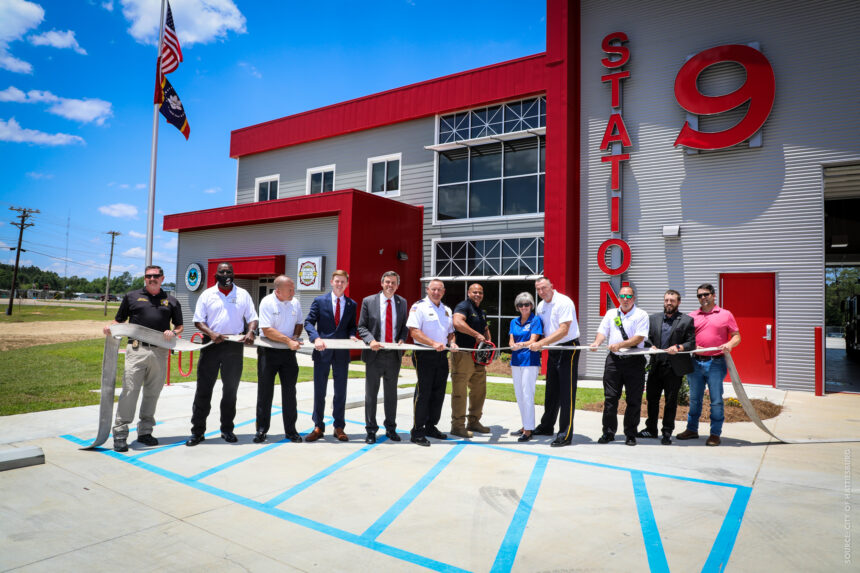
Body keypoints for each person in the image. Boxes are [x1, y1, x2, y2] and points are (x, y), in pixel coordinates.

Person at [103, 265, 183, 452]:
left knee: (152, 393)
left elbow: (179, 326)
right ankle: (121, 433)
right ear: (144, 278)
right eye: (148, 276)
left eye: (156, 276)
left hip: (160, 352)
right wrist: (110, 328)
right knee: (130, 391)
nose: (152, 279)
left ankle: (145, 432)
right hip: (136, 351)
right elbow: (118, 320)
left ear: (162, 278)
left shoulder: (171, 301)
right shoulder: (131, 297)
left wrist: (173, 332)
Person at [186, 262, 258, 446]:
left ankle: (227, 430)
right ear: (216, 275)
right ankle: (197, 432)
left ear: (234, 274)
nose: (226, 274)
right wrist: (211, 333)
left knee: (230, 391)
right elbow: (198, 321)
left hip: (233, 347)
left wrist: (250, 331)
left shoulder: (242, 294)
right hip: (211, 344)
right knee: (203, 390)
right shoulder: (207, 294)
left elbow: (252, 318)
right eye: (222, 272)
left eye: (229, 272)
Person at [676, 283, 741, 447]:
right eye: (699, 295)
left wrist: (730, 344)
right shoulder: (692, 316)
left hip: (716, 363)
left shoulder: (725, 314)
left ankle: (715, 434)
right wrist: (692, 346)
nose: (703, 298)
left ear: (713, 295)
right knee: (695, 399)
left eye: (706, 294)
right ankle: (692, 429)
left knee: (716, 400)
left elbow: (736, 336)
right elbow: (684, 338)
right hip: (695, 362)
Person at [589, 284, 649, 446]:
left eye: (629, 296)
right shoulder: (611, 314)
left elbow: (639, 338)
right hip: (614, 361)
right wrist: (596, 342)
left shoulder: (641, 315)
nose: (625, 299)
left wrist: (621, 345)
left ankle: (630, 433)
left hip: (634, 362)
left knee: (634, 399)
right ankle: (608, 432)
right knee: (610, 399)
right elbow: (603, 331)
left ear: (634, 298)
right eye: (622, 296)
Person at [304, 269, 358, 442]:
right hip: (322, 352)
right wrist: (316, 338)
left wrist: (351, 335)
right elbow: (309, 322)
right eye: (337, 281)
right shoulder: (320, 301)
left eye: (343, 281)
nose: (340, 284)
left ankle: (339, 426)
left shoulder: (351, 304)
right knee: (320, 391)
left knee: (340, 392)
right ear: (331, 282)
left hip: (341, 354)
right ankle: (318, 426)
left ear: (347, 283)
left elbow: (351, 326)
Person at [637, 290, 696, 445]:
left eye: (672, 300)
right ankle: (651, 429)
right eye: (666, 300)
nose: (669, 303)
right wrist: (651, 346)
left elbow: (691, 343)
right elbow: (646, 338)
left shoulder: (686, 320)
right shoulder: (653, 318)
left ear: (678, 302)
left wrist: (679, 346)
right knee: (652, 399)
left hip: (674, 368)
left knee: (670, 401)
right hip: (656, 366)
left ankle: (667, 431)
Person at [528, 276, 581, 447]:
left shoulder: (564, 302)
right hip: (552, 349)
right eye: (538, 289)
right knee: (551, 391)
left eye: (544, 288)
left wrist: (541, 344)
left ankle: (565, 434)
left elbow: (564, 330)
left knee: (567, 393)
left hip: (568, 348)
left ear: (552, 286)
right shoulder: (541, 306)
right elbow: (540, 330)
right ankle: (546, 426)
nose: (541, 292)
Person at [357, 271, 409, 444]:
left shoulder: (402, 302)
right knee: (371, 395)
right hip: (374, 355)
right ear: (381, 283)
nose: (390, 285)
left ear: (397, 285)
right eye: (387, 282)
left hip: (393, 356)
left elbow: (404, 327)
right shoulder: (369, 301)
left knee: (391, 395)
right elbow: (362, 327)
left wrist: (402, 338)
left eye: (393, 283)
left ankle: (391, 428)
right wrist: (371, 340)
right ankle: (371, 430)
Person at [406, 279, 458, 446]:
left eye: (439, 290)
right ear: (427, 289)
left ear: (443, 292)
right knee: (424, 392)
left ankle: (431, 426)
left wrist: (453, 342)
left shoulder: (446, 310)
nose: (436, 292)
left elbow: (450, 332)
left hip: (441, 355)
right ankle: (417, 430)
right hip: (423, 353)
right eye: (433, 289)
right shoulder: (419, 307)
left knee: (438, 392)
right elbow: (414, 332)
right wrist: (433, 343)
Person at [254, 275, 304, 444]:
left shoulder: (295, 302)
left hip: (288, 354)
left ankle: (291, 431)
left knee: (290, 393)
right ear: (278, 290)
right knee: (265, 393)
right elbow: (267, 330)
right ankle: (261, 430)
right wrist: (288, 340)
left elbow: (299, 322)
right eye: (290, 289)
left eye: (293, 288)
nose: (293, 292)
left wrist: (296, 336)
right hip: (268, 352)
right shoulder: (267, 302)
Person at [449, 283, 492, 438]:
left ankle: (473, 422)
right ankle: (457, 426)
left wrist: (488, 344)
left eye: (480, 292)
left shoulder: (481, 311)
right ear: (468, 292)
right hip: (463, 354)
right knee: (460, 392)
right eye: (474, 292)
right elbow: (457, 322)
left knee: (479, 391)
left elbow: (485, 329)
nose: (477, 295)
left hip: (479, 356)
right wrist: (475, 334)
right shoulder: (463, 306)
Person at [508, 292, 543, 443]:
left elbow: (533, 339)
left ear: (531, 306)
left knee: (527, 394)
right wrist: (512, 346)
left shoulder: (535, 320)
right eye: (521, 305)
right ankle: (525, 425)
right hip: (516, 361)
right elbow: (511, 340)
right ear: (517, 307)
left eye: (527, 304)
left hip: (530, 360)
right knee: (519, 395)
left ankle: (529, 430)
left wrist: (521, 344)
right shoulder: (513, 322)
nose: (524, 307)